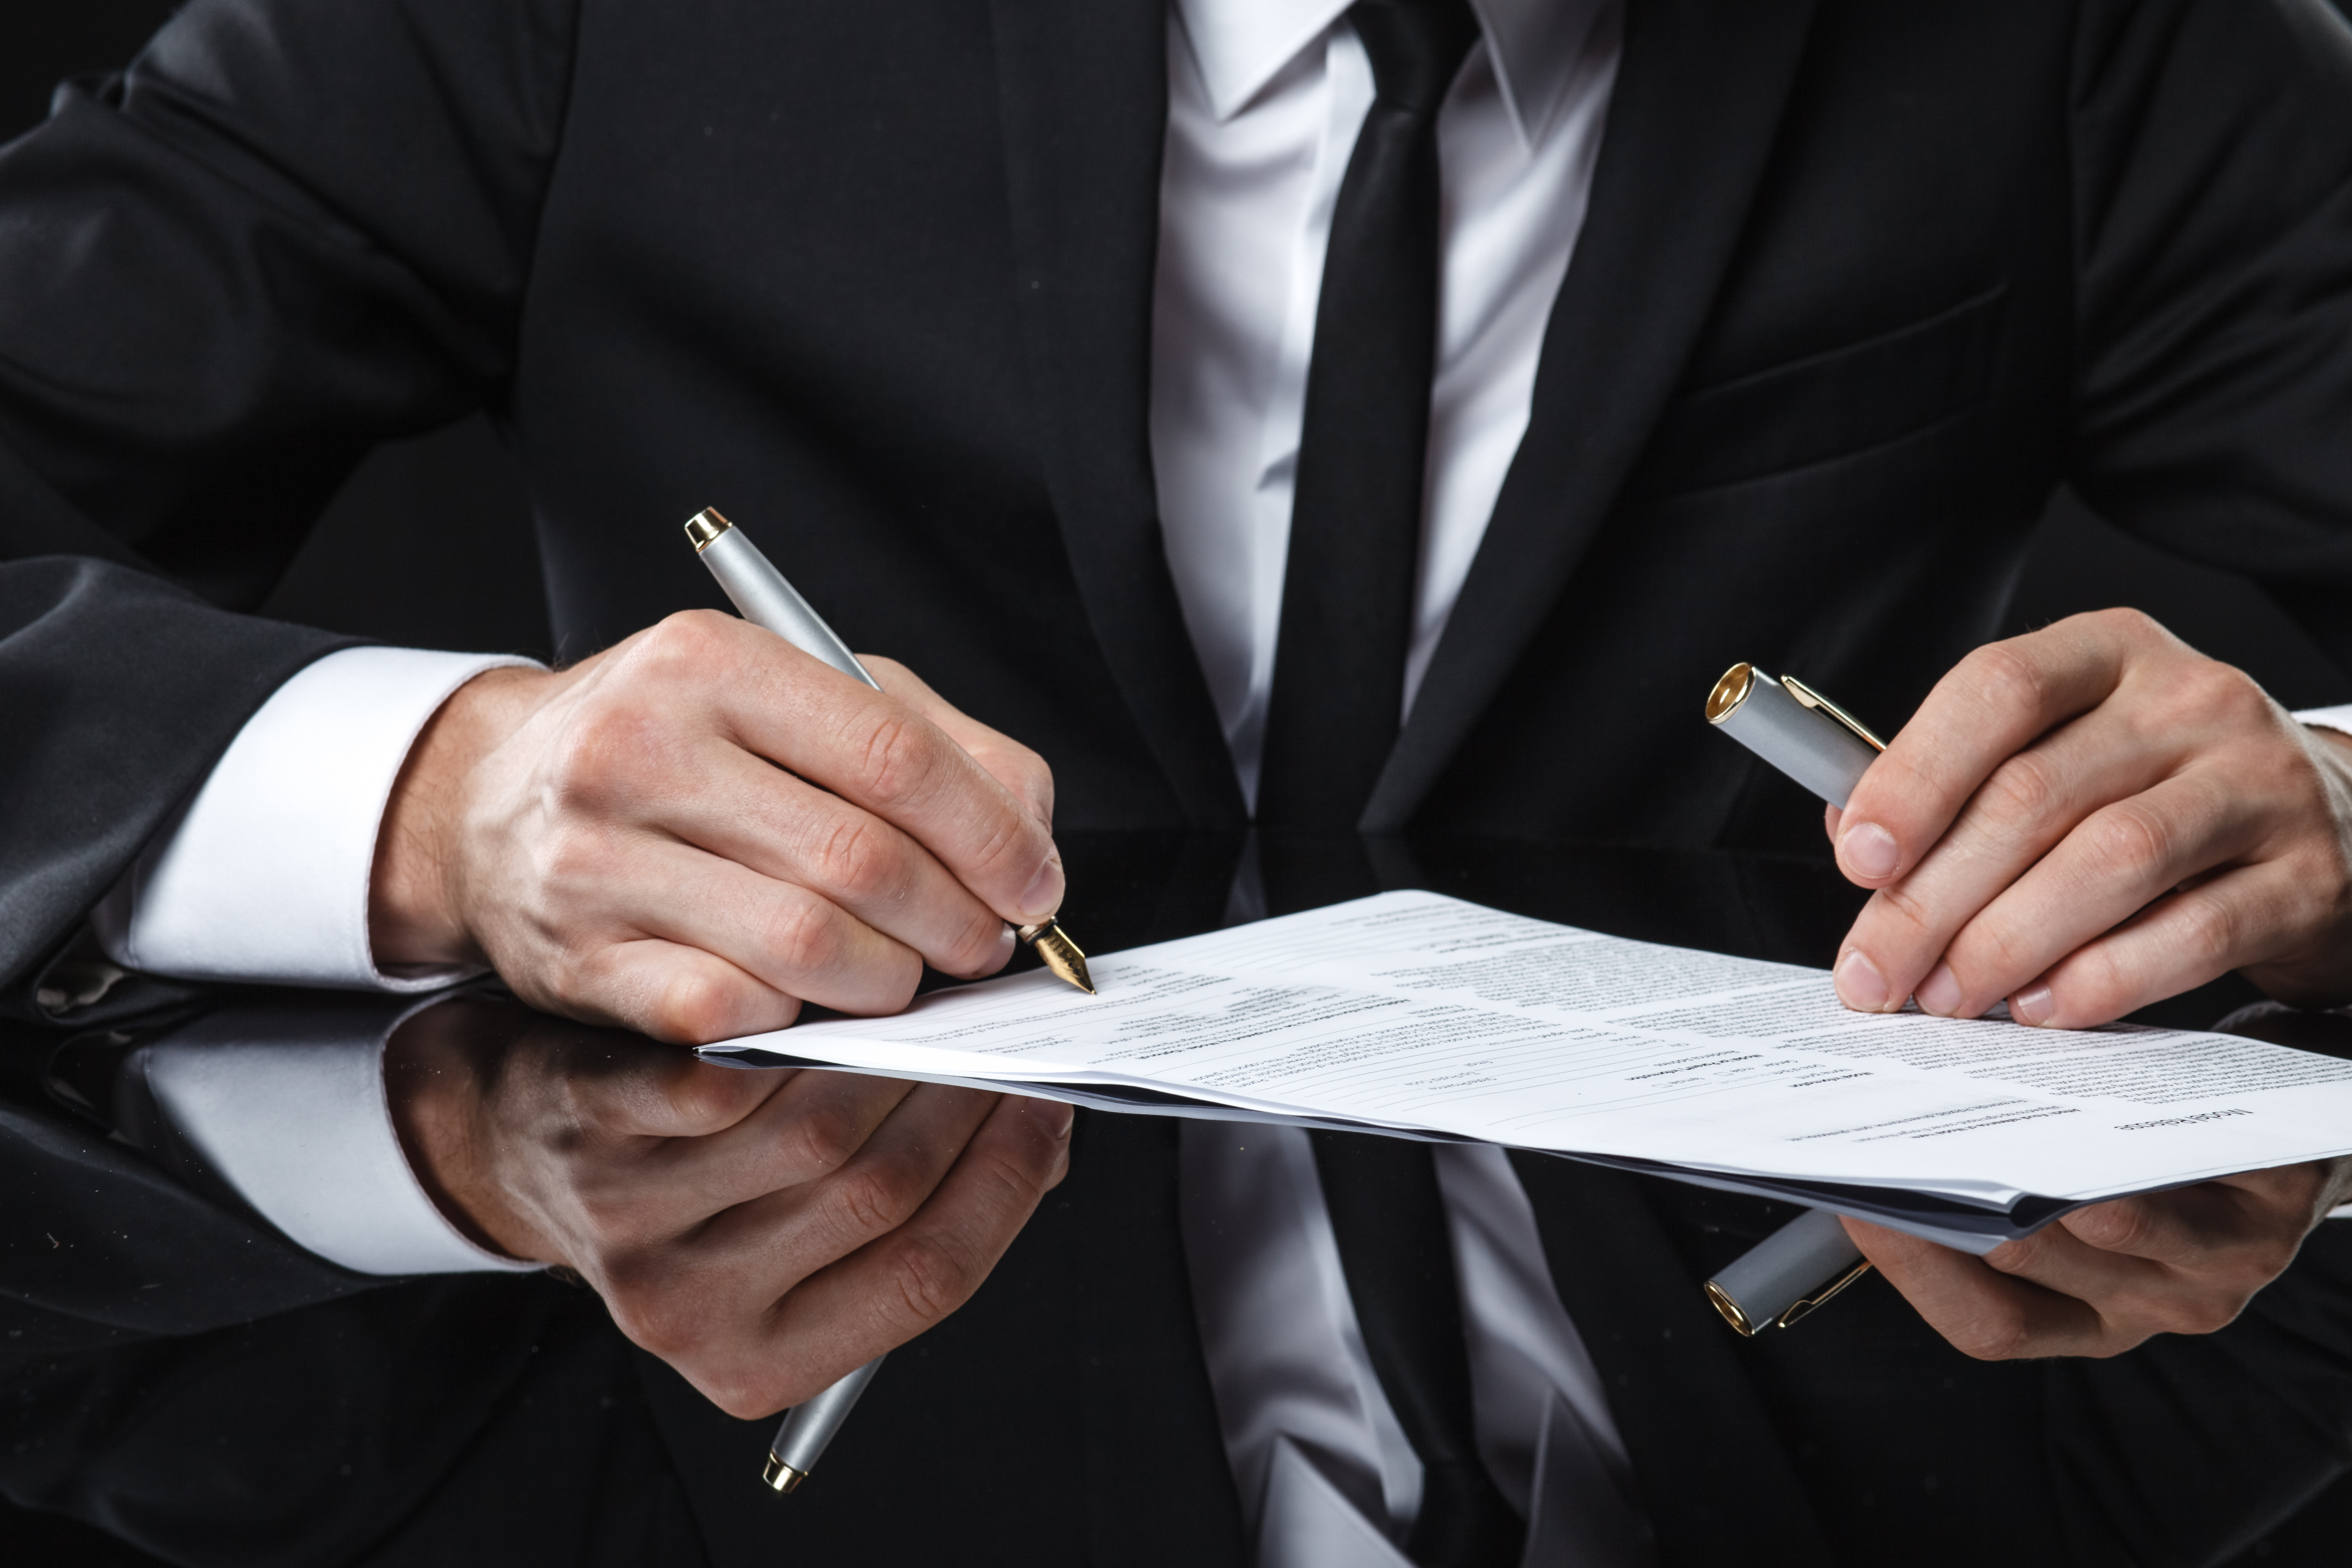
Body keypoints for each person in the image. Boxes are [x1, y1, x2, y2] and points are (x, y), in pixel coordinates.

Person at [7, 0, 2352, 1561]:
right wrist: (431, 795)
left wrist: (2327, 808)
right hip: (751, 1347)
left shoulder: (2082, 43)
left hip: (1815, 1337)